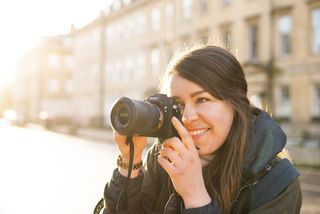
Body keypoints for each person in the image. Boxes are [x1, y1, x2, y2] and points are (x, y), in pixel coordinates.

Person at [102, 45, 302, 213]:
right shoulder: (165, 156)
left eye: (202, 100)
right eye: (178, 104)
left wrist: (195, 196)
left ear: (236, 104)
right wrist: (130, 163)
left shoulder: (276, 182)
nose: (188, 117)